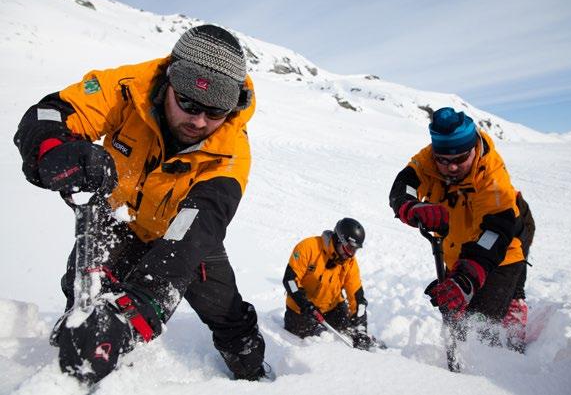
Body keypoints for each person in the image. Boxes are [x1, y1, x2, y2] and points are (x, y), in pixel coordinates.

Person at [13, 25, 266, 382]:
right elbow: (49, 114)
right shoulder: (127, 89)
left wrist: (138, 311)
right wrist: (54, 150)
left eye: (214, 113)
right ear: (168, 81)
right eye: (189, 104)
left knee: (227, 314)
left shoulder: (231, 154)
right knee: (83, 292)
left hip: (183, 235)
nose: (198, 121)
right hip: (120, 219)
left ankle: (252, 367)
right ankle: (86, 359)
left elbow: (195, 230)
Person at [388, 107, 534, 352]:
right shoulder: (427, 160)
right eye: (443, 160)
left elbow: (496, 232)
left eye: (459, 159)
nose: (451, 168)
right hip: (457, 249)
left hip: (501, 252)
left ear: (474, 149)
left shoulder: (491, 174)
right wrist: (411, 206)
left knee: (480, 324)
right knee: (460, 315)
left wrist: (466, 279)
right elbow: (404, 186)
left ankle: (512, 312)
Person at [283, 218, 377, 350]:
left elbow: (357, 297)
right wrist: (304, 304)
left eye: (354, 250)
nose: (350, 255)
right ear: (339, 239)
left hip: (332, 308)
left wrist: (360, 328)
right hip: (302, 311)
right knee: (322, 341)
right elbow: (290, 280)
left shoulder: (349, 262)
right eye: (349, 248)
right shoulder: (308, 247)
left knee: (350, 332)